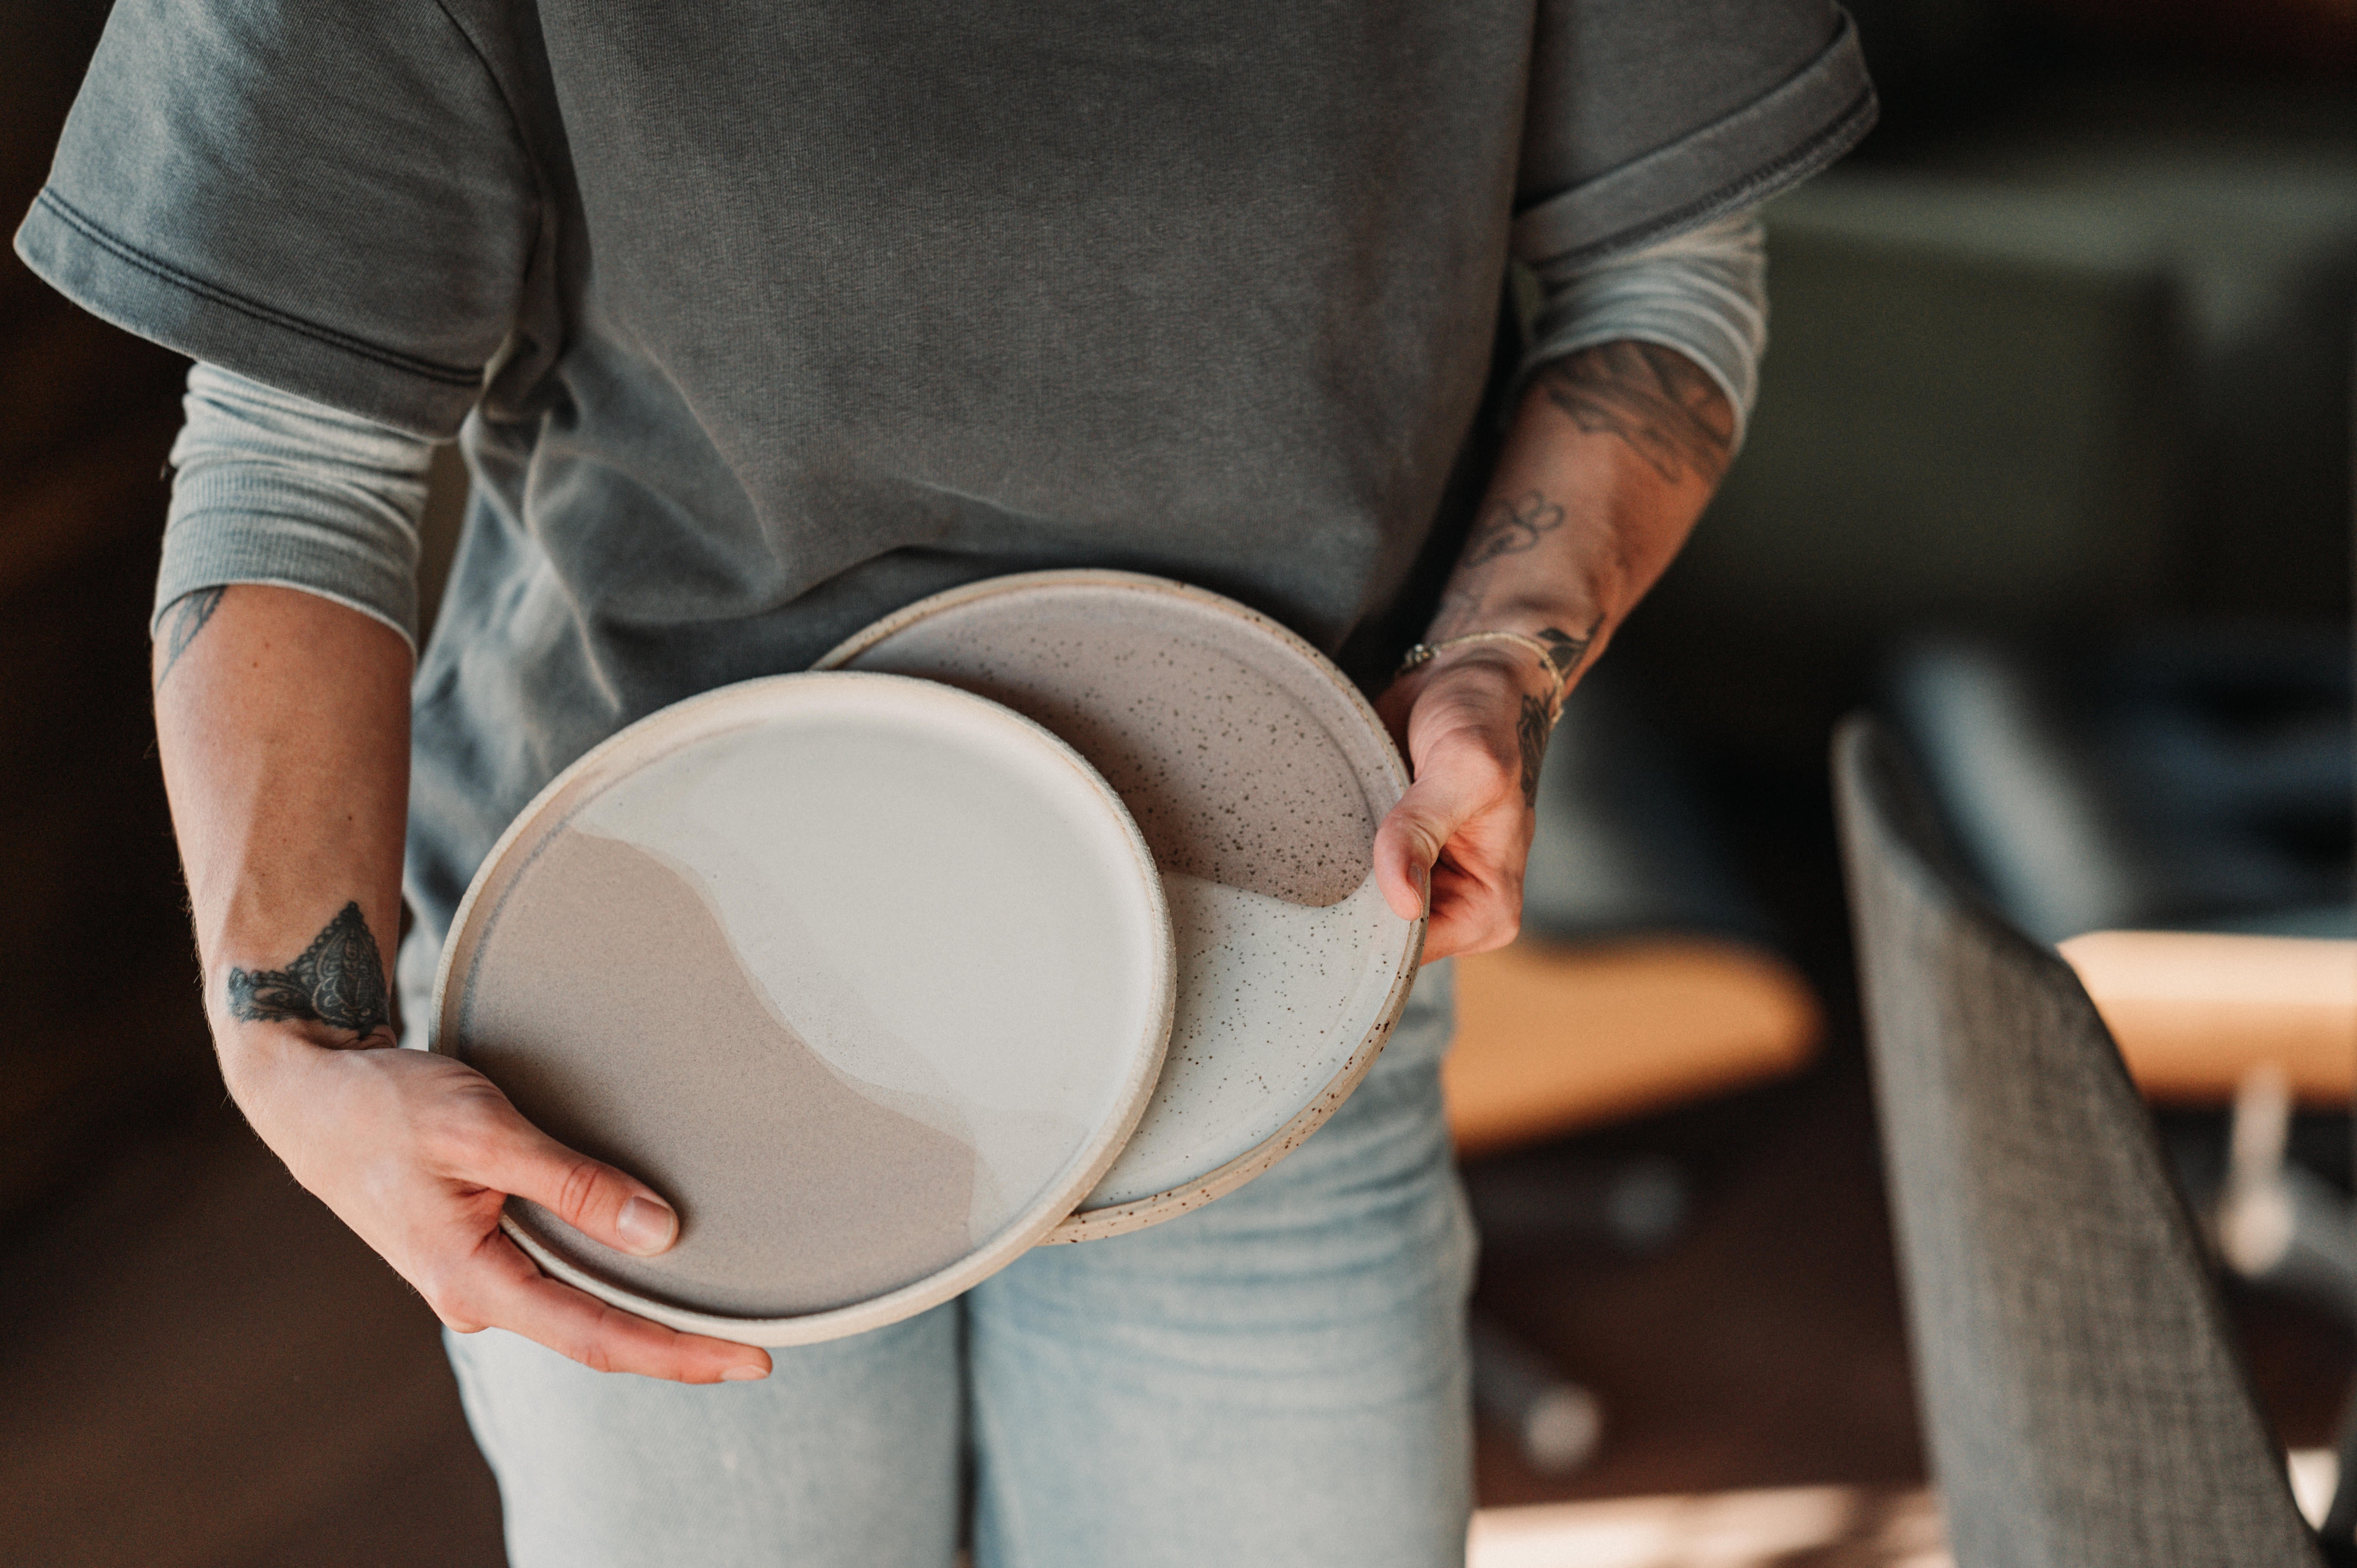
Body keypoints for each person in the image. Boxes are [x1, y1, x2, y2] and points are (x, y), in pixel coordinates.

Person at [19, 3, 1873, 1563]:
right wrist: (294, 1036)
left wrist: (1502, 658)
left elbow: (1660, 271)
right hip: (643, 1017)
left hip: (1279, 950)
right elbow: (298, 446)